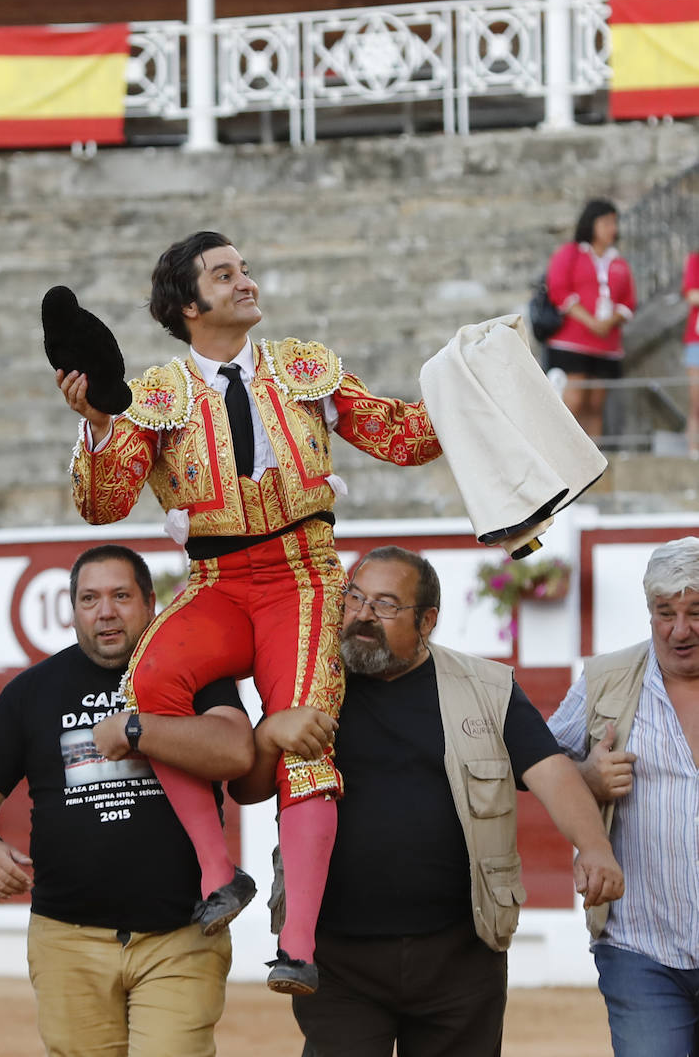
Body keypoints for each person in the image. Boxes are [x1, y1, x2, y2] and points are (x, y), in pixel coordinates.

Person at [58, 229, 442, 992]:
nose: (245, 281)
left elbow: (405, 438)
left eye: (245, 269)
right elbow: (102, 504)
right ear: (187, 304)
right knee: (147, 688)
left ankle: (296, 943)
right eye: (224, 274)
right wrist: (99, 425)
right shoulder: (155, 396)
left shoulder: (305, 369)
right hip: (217, 580)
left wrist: (471, 391)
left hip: (303, 573)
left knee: (305, 732)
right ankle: (217, 869)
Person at [226, 545, 624, 1057]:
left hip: (460, 954)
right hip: (337, 956)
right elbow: (248, 788)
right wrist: (270, 733)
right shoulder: (311, 680)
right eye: (354, 599)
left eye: (386, 605)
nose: (363, 616)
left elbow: (550, 772)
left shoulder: (487, 688)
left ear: (428, 620)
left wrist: (593, 846)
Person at [0, 544, 255, 1057]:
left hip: (180, 935)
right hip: (67, 941)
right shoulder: (32, 692)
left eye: (120, 596)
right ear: (72, 613)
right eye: (89, 599)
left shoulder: (195, 671)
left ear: (149, 603)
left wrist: (137, 729)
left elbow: (236, 749)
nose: (105, 611)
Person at [547, 536, 699, 1057]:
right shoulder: (607, 679)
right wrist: (585, 775)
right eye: (665, 613)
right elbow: (537, 766)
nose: (681, 630)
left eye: (696, 611)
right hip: (640, 948)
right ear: (649, 611)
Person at [544, 198, 636, 443]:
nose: (612, 229)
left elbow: (628, 301)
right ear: (591, 224)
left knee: (596, 404)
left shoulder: (619, 261)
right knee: (573, 400)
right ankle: (561, 454)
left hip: (606, 345)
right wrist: (591, 322)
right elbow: (558, 290)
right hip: (572, 342)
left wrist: (609, 321)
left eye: (614, 223)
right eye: (606, 222)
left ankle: (593, 459)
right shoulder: (570, 253)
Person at [681, 250, 699, 457]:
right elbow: (691, 294)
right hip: (696, 340)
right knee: (697, 401)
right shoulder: (695, 259)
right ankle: (693, 448)